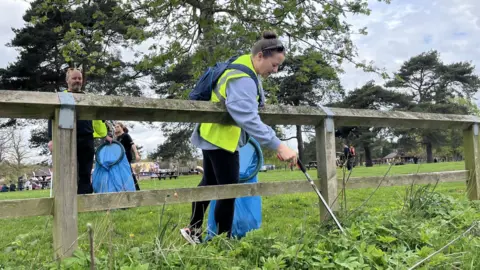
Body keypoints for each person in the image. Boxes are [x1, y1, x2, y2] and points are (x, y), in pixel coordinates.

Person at [180, 30, 298, 245]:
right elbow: (247, 118)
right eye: (274, 64)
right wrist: (278, 145)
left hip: (212, 134)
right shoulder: (242, 77)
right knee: (230, 191)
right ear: (260, 55)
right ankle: (224, 241)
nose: (276, 70)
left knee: (209, 183)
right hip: (222, 139)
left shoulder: (242, 64)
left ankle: (194, 229)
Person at [47, 68, 112, 194]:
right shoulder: (62, 97)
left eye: (79, 78)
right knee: (67, 169)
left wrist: (105, 135)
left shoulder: (87, 98)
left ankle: (84, 197)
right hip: (67, 136)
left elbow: (98, 118)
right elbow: (52, 119)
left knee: (85, 171)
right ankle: (67, 197)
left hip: (87, 137)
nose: (77, 81)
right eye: (74, 78)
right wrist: (51, 139)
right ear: (67, 80)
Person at [114, 122, 141, 190]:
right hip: (119, 158)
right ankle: (125, 188)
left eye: (118, 127)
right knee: (123, 173)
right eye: (115, 127)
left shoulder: (126, 135)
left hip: (126, 157)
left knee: (128, 172)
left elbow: (132, 145)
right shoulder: (117, 138)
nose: (116, 128)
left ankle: (136, 188)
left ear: (122, 127)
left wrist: (136, 154)